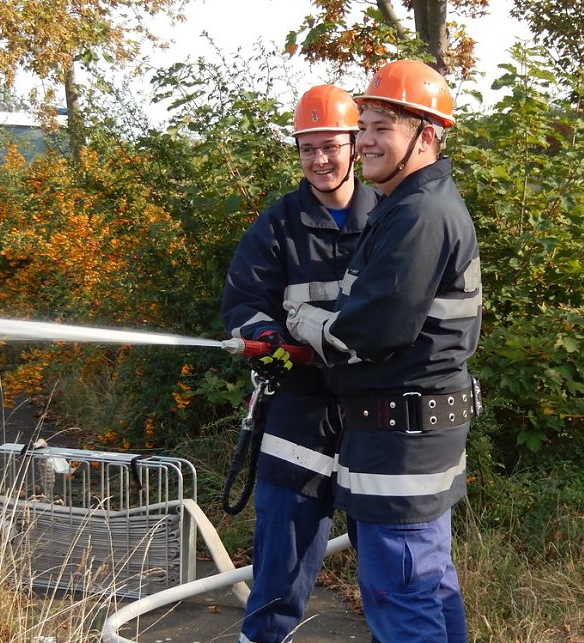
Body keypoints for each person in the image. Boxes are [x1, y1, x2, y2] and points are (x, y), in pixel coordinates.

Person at [284, 59, 483, 642]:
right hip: (411, 438)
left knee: (401, 597)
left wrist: (303, 322)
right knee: (429, 584)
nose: (364, 140)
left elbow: (371, 332)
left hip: (401, 444)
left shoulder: (419, 214)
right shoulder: (406, 204)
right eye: (364, 124)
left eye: (381, 127)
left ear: (426, 135)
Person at [221, 84, 380, 643]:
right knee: (281, 556)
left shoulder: (390, 216)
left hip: (372, 407)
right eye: (307, 148)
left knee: (387, 556)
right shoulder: (278, 224)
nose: (319, 160)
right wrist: (265, 336)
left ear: (356, 145)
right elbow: (243, 301)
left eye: (330, 146)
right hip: (300, 408)